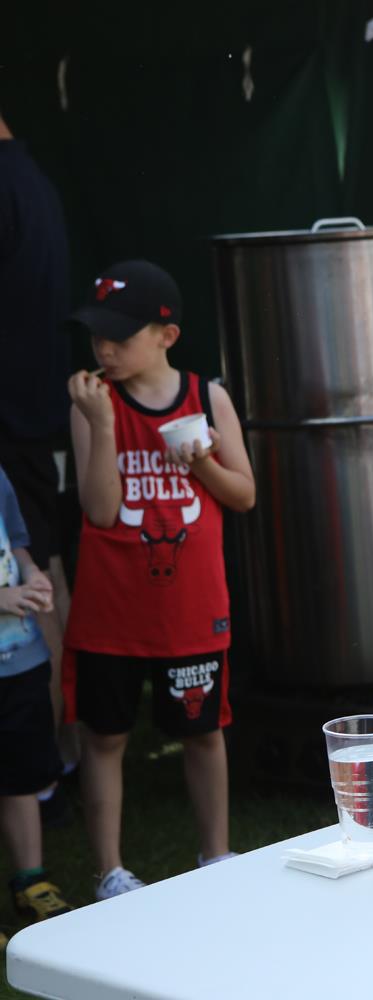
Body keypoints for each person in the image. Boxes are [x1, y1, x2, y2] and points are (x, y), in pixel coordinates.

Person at [61, 260, 256, 900]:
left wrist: (200, 462)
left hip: (191, 609)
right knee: (105, 736)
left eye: (120, 335)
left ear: (166, 336)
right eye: (97, 335)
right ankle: (110, 872)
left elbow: (244, 494)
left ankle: (216, 855)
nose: (104, 348)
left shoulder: (207, 398)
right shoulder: (93, 404)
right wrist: (103, 425)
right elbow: (100, 511)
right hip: (110, 611)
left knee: (202, 732)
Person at [0, 105, 78, 814]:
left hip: (17, 424)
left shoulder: (10, 185)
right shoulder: (30, 179)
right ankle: (58, 754)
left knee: (36, 582)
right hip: (32, 420)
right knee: (44, 572)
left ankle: (46, 766)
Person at [0, 466, 74, 940]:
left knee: (22, 773)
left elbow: (18, 542)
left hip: (19, 656)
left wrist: (32, 575)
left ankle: (31, 880)